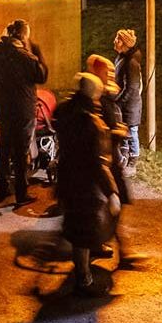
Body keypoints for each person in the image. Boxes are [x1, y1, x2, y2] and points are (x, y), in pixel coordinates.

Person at [55, 72, 121, 295]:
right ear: (94, 95)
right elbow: (97, 161)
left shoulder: (65, 110)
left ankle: (87, 263)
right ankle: (83, 280)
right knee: (82, 231)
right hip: (85, 184)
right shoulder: (91, 123)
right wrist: (112, 191)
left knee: (77, 226)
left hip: (67, 177)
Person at [85, 54, 146, 269]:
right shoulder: (94, 96)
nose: (112, 76)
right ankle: (112, 249)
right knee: (110, 205)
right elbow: (97, 130)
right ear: (97, 72)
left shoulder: (105, 93)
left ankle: (110, 246)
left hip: (112, 159)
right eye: (107, 72)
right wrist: (115, 132)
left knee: (113, 207)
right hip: (105, 162)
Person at [0, 19, 48, 206]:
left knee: (4, 146)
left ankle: (1, 188)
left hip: (4, 107)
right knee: (21, 151)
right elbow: (42, 75)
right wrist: (37, 51)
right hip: (23, 109)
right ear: (23, 35)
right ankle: (21, 193)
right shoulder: (25, 57)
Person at [113, 28, 143, 169]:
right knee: (124, 130)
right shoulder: (122, 57)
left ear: (124, 43)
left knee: (131, 131)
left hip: (130, 105)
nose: (115, 41)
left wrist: (119, 102)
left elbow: (132, 87)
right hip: (124, 103)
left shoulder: (131, 63)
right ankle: (124, 157)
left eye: (118, 39)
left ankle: (133, 159)